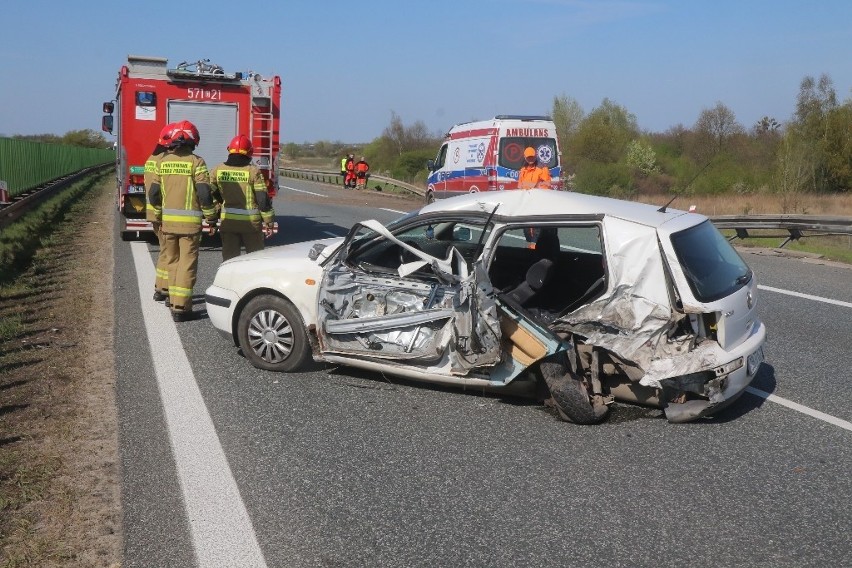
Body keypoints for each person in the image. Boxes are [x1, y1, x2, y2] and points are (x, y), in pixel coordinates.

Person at [148, 120, 218, 322]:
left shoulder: (162, 162)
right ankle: (181, 308)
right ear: (193, 140)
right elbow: (204, 193)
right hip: (189, 226)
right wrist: (211, 217)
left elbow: (153, 194)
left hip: (167, 224)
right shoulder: (197, 162)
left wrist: (159, 214)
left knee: (171, 261)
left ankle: (170, 296)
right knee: (186, 264)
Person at [210, 134, 275, 262]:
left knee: (229, 261)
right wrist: (269, 222)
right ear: (249, 152)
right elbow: (262, 199)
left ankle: (230, 281)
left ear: (229, 150)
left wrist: (216, 210)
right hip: (251, 225)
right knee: (255, 260)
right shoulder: (253, 171)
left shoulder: (218, 170)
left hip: (228, 223)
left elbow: (208, 193)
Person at [145, 122, 175, 302]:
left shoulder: (151, 158)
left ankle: (161, 288)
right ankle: (166, 289)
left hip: (154, 213)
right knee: (170, 253)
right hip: (163, 213)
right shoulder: (163, 160)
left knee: (165, 250)